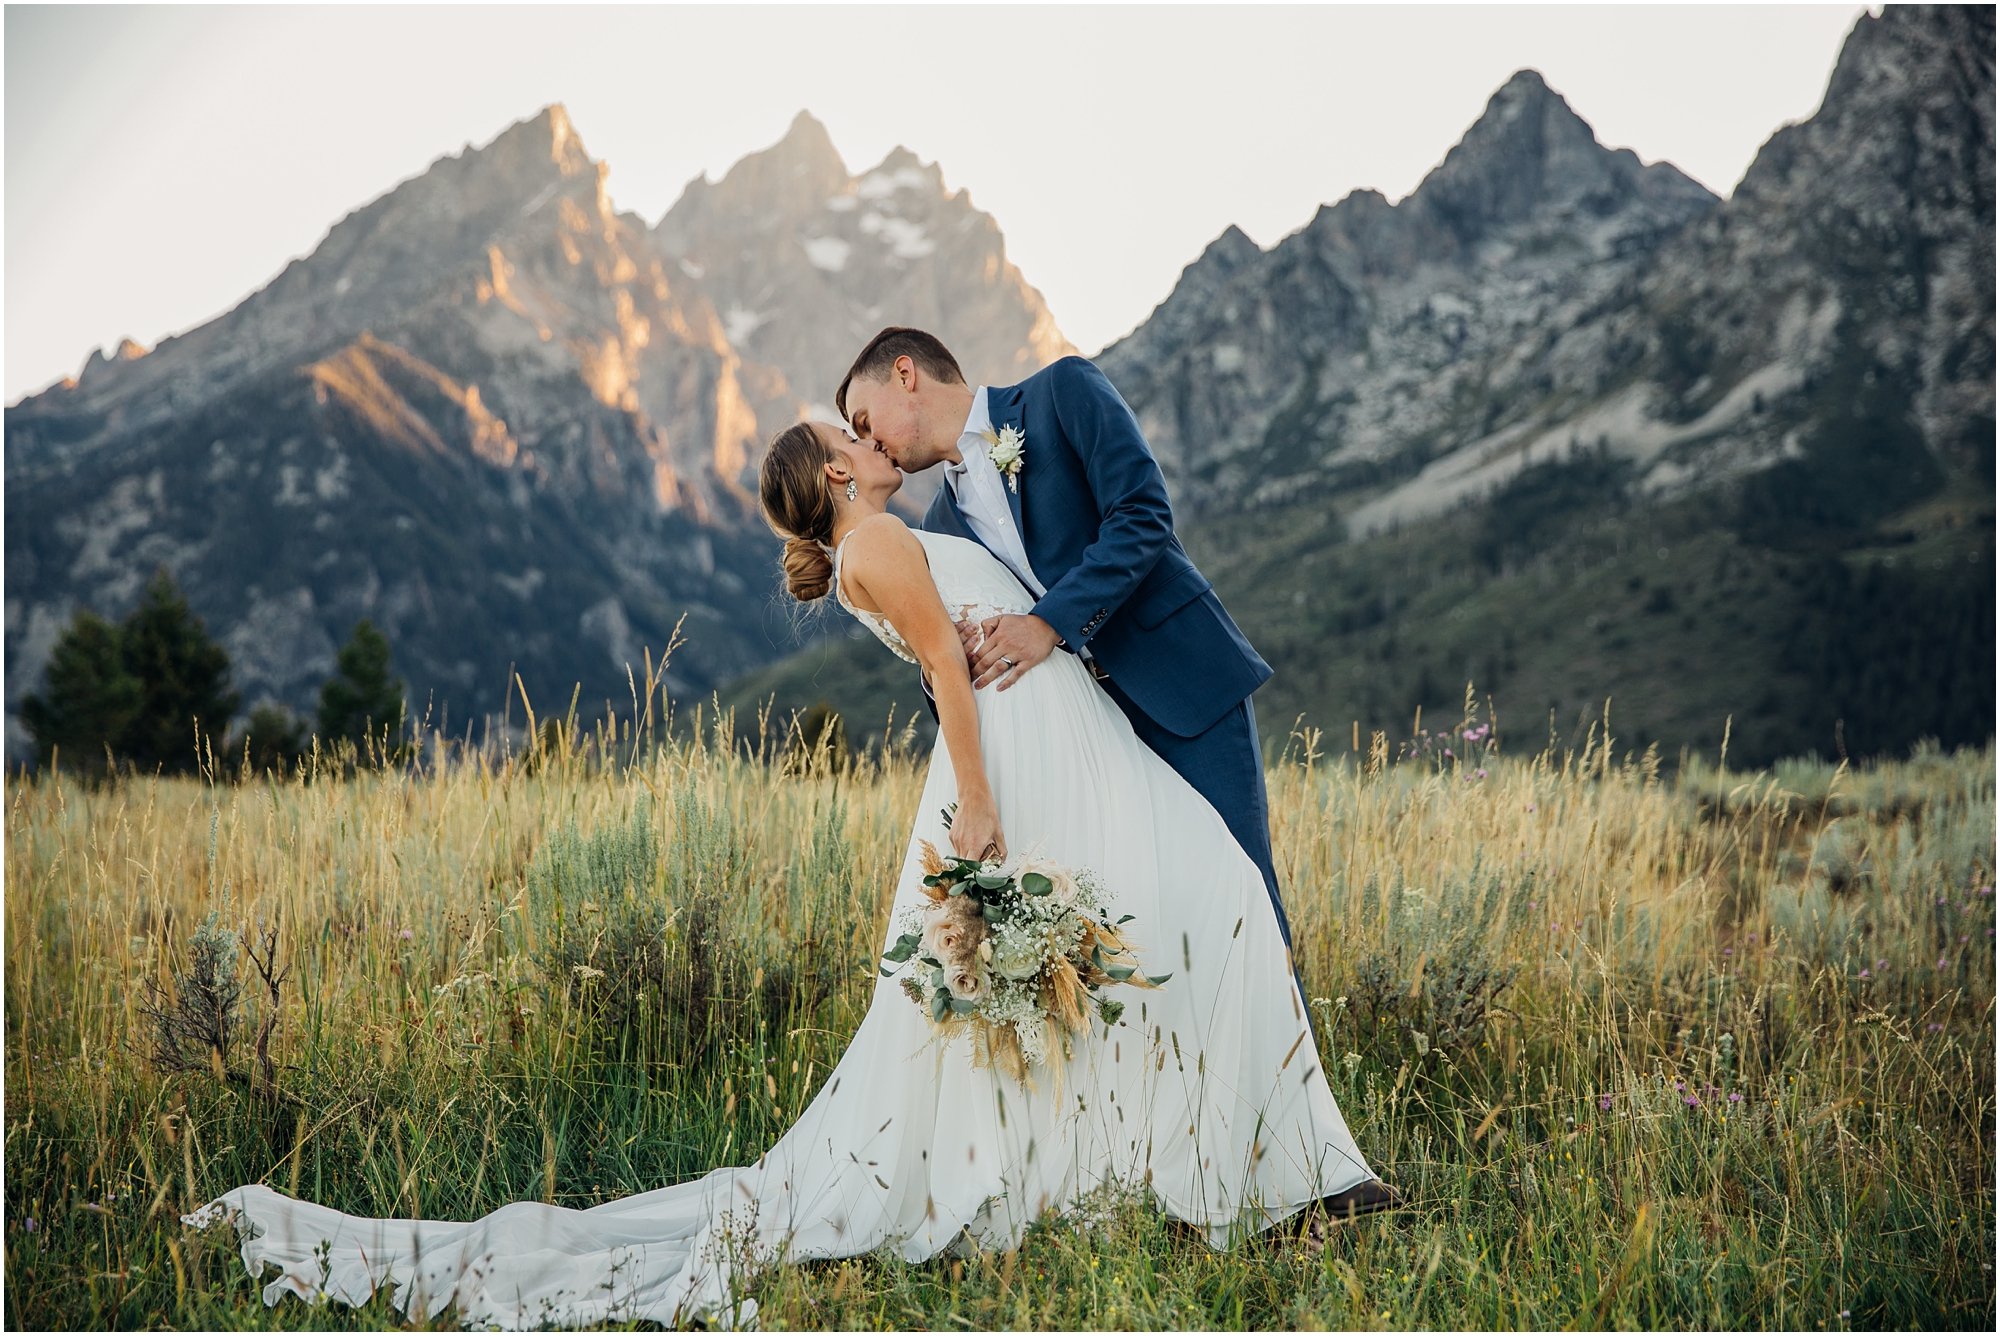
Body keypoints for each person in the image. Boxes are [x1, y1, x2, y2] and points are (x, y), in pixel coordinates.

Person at [179, 419, 1393, 1334]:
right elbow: (947, 677)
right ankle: (1234, 1173)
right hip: (1016, 763)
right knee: (1205, 907)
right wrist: (977, 804)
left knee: (1171, 921)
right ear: (831, 480)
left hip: (1052, 747)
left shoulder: (876, 537)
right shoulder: (873, 539)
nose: (870, 439)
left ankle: (1199, 1169)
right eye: (848, 437)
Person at [834, 328, 1300, 960]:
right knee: (1151, 933)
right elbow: (945, 647)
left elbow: (1143, 514)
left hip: (1183, 691)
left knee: (1246, 908)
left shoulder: (1062, 392)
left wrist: (1048, 623)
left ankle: (1290, 1063)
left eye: (864, 420)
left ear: (906, 373)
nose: (868, 442)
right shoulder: (937, 528)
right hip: (1087, 745)